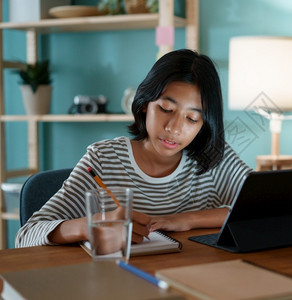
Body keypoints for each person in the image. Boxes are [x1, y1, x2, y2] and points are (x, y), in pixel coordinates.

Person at [16, 49, 252, 248]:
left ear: (204, 125)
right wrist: (96, 224)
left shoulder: (213, 158)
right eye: (166, 109)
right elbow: (27, 236)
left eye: (191, 119)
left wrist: (186, 220)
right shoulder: (103, 160)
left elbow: (269, 212)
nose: (174, 128)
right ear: (144, 105)